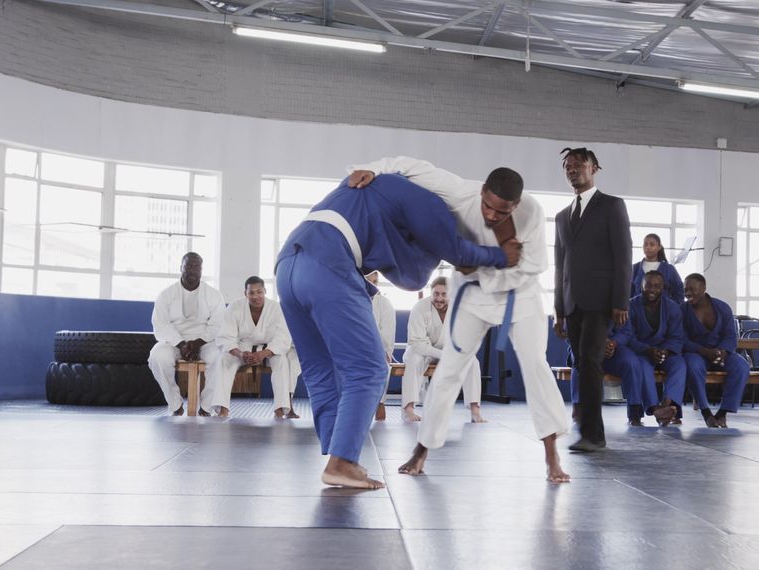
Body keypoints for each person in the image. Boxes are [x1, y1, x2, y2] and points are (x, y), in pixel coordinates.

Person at [276, 173, 519, 489]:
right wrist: (500, 256)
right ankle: (342, 460)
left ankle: (337, 458)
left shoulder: (377, 186)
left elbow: (407, 270)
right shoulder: (434, 205)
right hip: (328, 263)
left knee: (320, 369)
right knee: (370, 369)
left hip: (287, 264)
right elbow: (438, 263)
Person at [349, 156, 572, 483]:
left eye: (501, 211)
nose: (491, 215)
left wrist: (478, 264)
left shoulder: (532, 213)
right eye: (488, 206)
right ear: (482, 192)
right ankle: (422, 448)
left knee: (536, 365)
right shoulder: (461, 193)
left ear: (515, 205)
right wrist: (372, 168)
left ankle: (552, 454)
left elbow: (532, 266)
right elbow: (415, 168)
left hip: (520, 295)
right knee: (450, 369)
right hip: (472, 295)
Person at [552, 147, 632, 452]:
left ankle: (594, 435)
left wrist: (621, 301)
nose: (572, 170)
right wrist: (559, 309)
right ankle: (587, 430)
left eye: (578, 165)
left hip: (601, 301)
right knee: (581, 363)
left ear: (594, 168)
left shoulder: (612, 206)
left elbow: (623, 255)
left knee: (590, 362)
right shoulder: (562, 216)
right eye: (567, 166)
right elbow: (560, 266)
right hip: (571, 302)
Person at [148, 252, 226, 416]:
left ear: (201, 270)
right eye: (188, 266)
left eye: (196, 267)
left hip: (205, 340)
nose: (192, 270)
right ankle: (175, 404)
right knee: (157, 356)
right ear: (181, 268)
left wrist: (197, 343)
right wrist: (182, 344)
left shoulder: (213, 294)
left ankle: (207, 406)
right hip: (174, 340)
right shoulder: (166, 294)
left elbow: (218, 325)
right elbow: (161, 325)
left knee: (220, 356)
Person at [216, 276, 301, 419]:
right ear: (245, 293)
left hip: (269, 349)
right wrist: (240, 354)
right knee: (224, 359)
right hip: (242, 348)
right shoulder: (234, 307)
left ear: (265, 291)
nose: (255, 296)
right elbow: (226, 337)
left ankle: (280, 409)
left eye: (259, 292)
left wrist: (263, 354)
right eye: (251, 293)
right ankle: (222, 409)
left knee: (281, 361)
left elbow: (283, 338)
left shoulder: (276, 308)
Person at [404, 276, 486, 423]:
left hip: (448, 351)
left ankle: (475, 409)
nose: (439, 298)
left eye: (444, 294)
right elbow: (416, 343)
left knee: (472, 361)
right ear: (431, 292)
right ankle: (408, 409)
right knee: (414, 359)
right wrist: (444, 355)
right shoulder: (420, 307)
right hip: (422, 350)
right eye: (436, 294)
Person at [681, 273, 750, 428]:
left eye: (692, 289)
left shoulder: (722, 307)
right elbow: (681, 339)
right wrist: (704, 351)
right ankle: (706, 412)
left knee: (742, 367)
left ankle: (722, 413)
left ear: (703, 288)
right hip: (696, 353)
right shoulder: (682, 310)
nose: (688, 293)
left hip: (721, 353)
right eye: (685, 290)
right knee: (692, 366)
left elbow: (730, 335)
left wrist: (723, 351)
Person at [627, 270, 685, 427]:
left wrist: (665, 351)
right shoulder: (631, 306)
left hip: (666, 352)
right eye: (649, 285)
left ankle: (667, 406)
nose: (652, 289)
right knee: (642, 367)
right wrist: (648, 350)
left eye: (657, 286)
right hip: (642, 352)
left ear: (663, 288)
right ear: (641, 286)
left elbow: (677, 336)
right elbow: (629, 336)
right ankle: (655, 408)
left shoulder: (672, 307)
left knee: (680, 364)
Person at [366, 270, 396, 421]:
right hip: (353, 349)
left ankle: (380, 402)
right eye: (368, 282)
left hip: (378, 350)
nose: (372, 286)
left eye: (375, 282)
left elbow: (387, 337)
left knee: (383, 364)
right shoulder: (348, 301)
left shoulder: (384, 303)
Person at [630, 233, 685, 305]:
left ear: (659, 247)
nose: (648, 247)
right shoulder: (634, 268)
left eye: (652, 244)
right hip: (638, 309)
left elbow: (679, 291)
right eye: (645, 244)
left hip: (663, 310)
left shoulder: (669, 269)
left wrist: (671, 307)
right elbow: (628, 292)